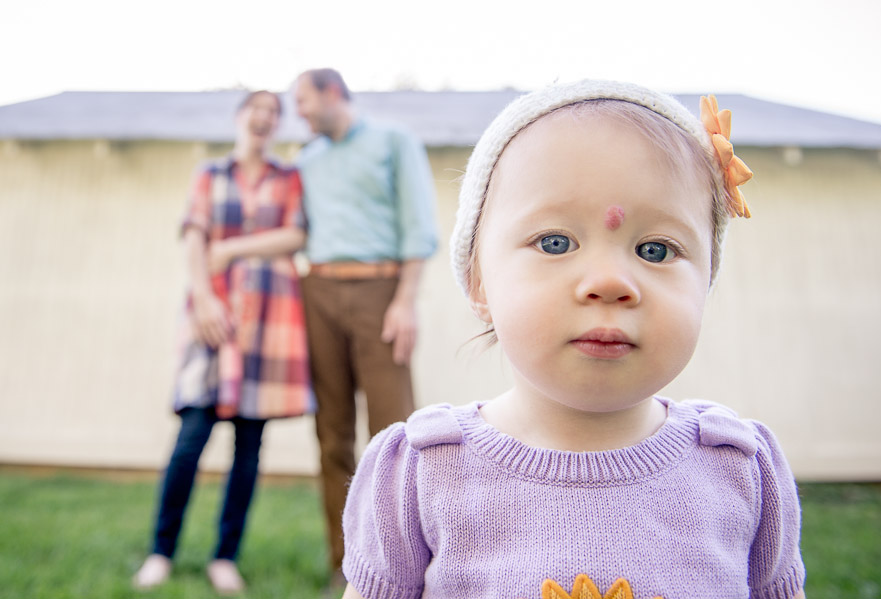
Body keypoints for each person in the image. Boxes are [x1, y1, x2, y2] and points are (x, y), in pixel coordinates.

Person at [338, 81, 806, 599]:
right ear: (479, 282)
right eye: (555, 242)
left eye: (655, 250)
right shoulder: (422, 472)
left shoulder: (739, 467)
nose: (609, 281)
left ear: (707, 280)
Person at [132, 90, 314, 595]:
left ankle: (224, 557)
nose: (262, 119)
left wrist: (232, 247)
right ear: (240, 119)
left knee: (249, 447)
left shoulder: (289, 177)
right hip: (212, 317)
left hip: (269, 324)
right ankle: (160, 552)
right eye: (254, 111)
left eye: (272, 113)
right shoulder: (209, 174)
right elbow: (193, 237)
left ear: (277, 124)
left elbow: (295, 235)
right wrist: (204, 301)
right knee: (190, 439)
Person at [290, 68, 438, 588]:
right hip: (319, 292)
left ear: (332, 93)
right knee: (331, 434)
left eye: (303, 101)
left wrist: (405, 302)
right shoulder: (306, 160)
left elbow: (418, 224)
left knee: (395, 434)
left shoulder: (393, 142)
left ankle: (405, 567)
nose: (299, 112)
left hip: (380, 290)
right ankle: (344, 565)